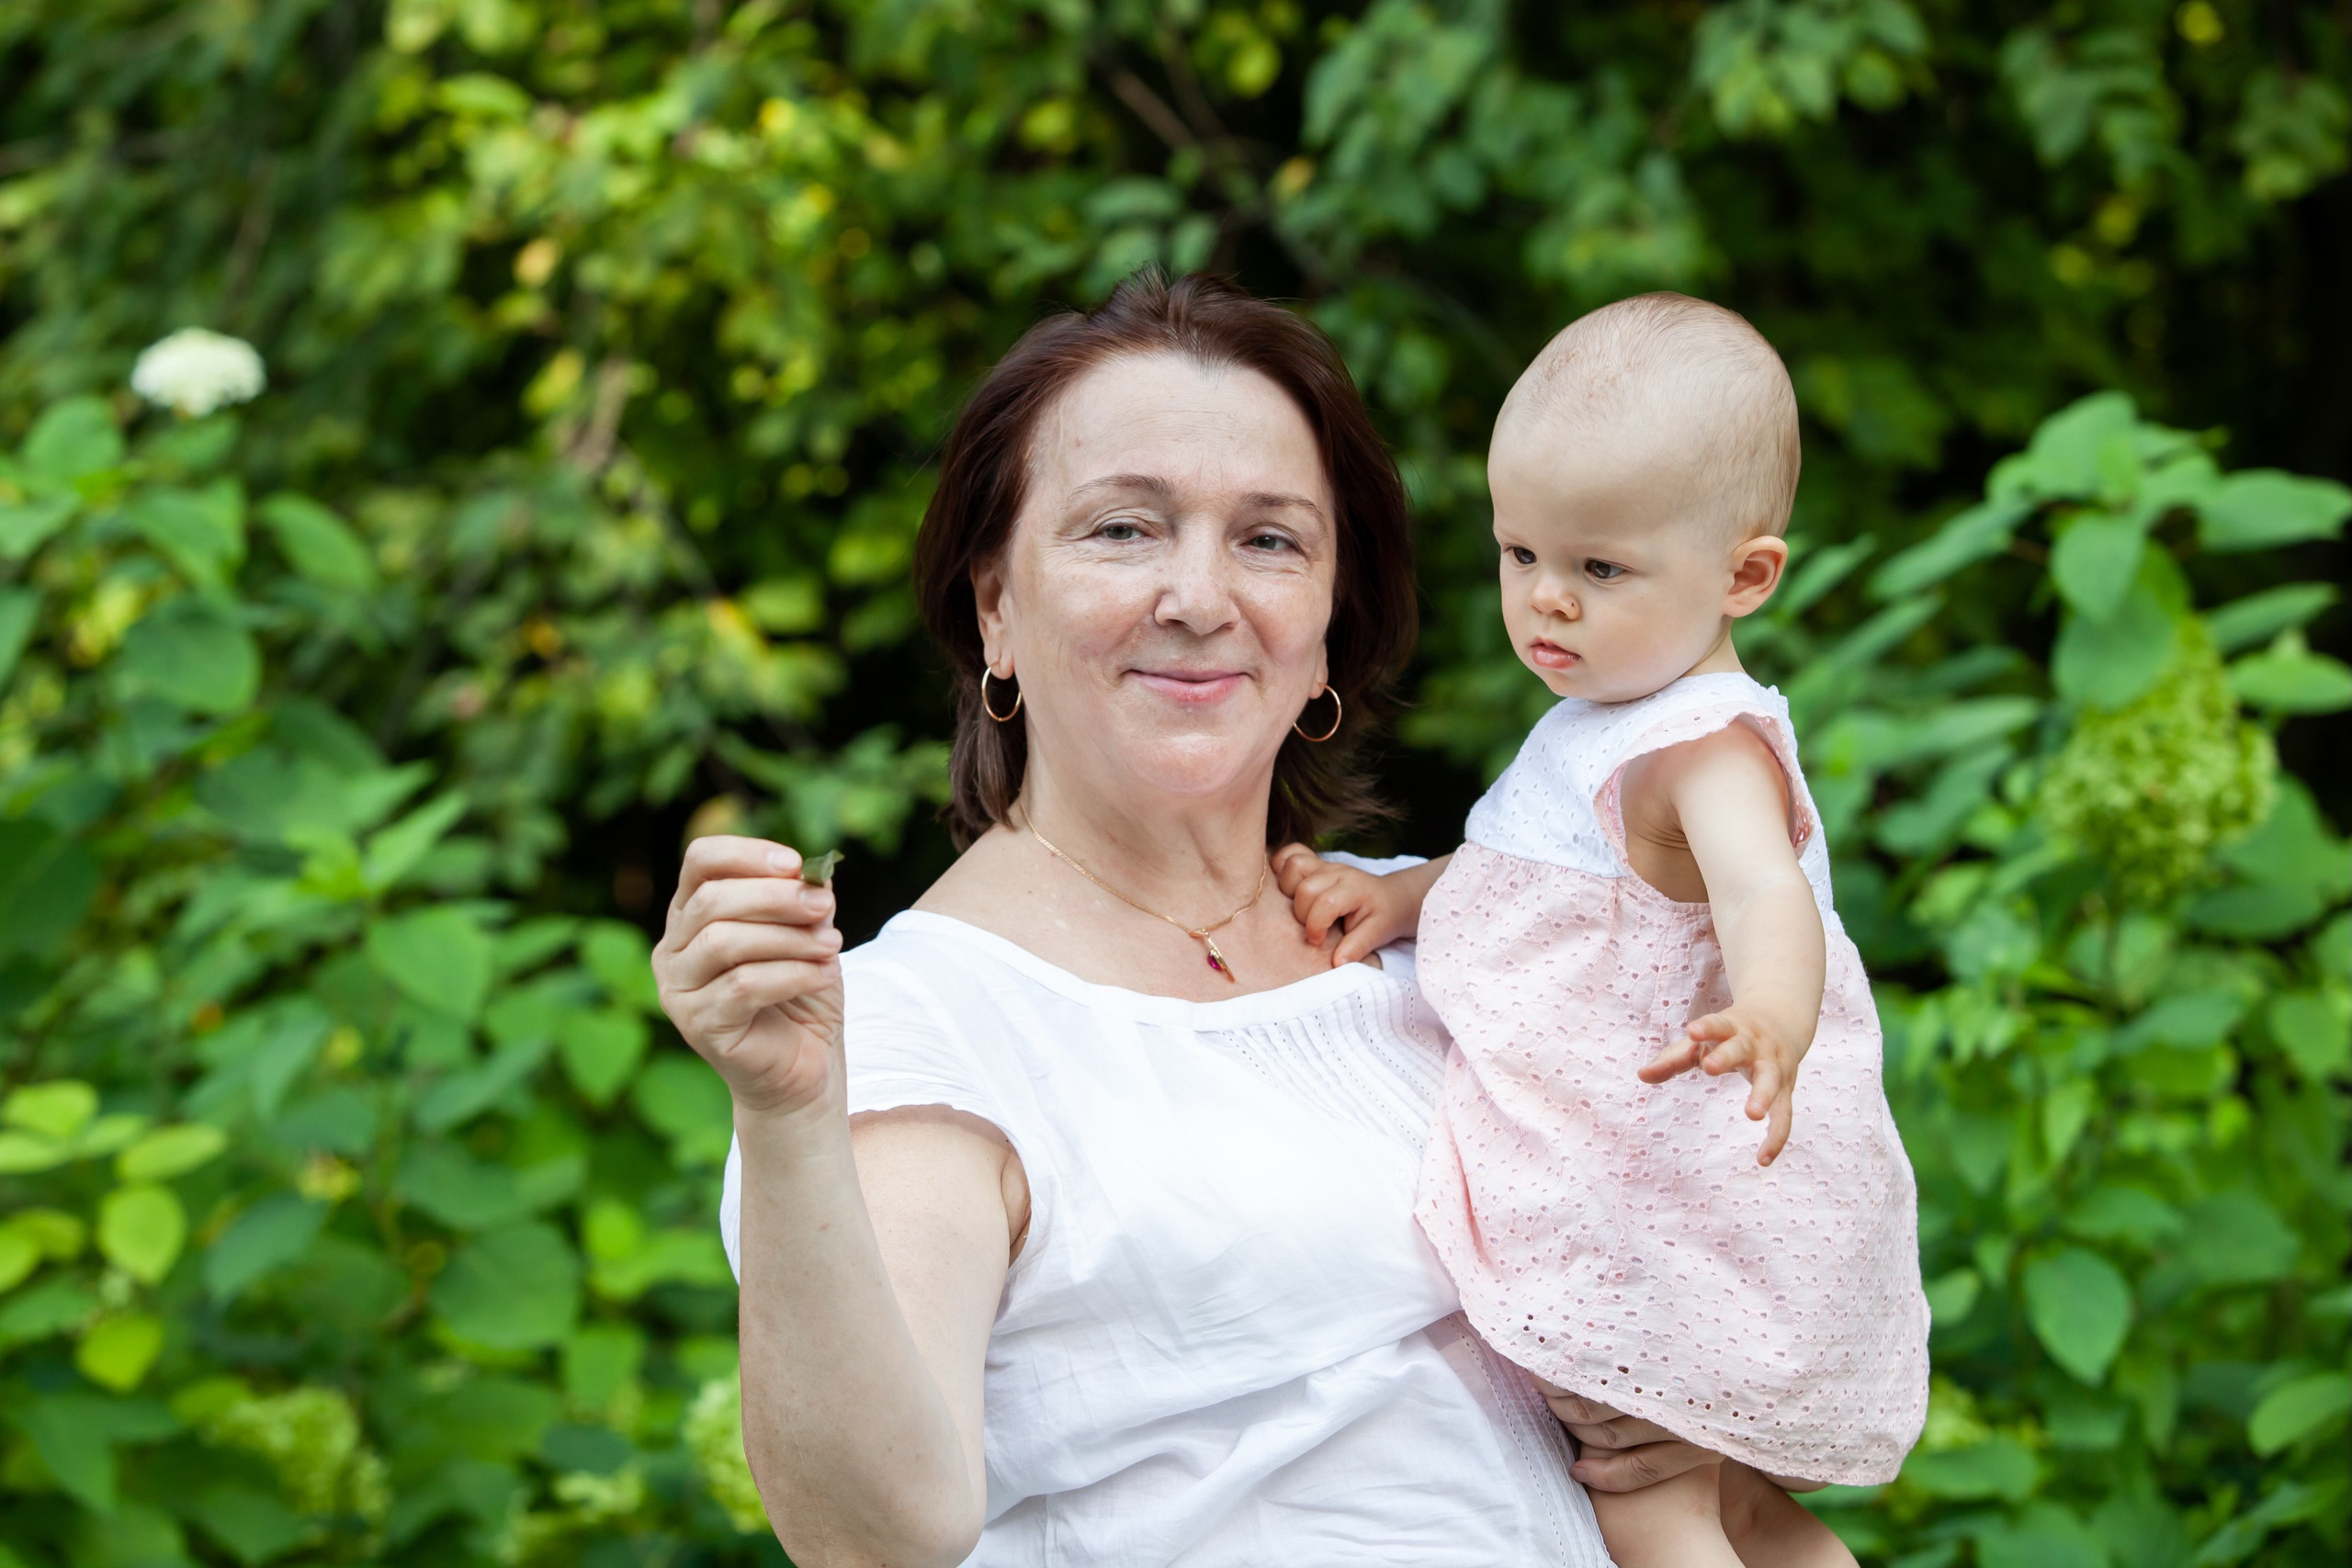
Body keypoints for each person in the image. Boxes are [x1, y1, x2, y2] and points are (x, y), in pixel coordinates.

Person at [657, 271, 1654, 1566]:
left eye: (1270, 540)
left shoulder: (1462, 936)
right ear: (994, 608)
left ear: (1329, 631)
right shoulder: (915, 1030)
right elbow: (877, 1539)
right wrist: (789, 1123)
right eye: (1123, 530)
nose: (1199, 596)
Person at [1273, 293, 1930, 1568]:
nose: (1546, 603)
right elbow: (1544, 870)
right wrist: (1409, 897)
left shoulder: (1705, 752)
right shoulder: (1616, 713)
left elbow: (1765, 899)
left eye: (1600, 569)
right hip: (1661, 1200)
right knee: (1746, 1511)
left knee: (1651, 1501)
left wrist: (1772, 1012)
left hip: (1658, 1209)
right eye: (1521, 554)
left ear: (1745, 575)